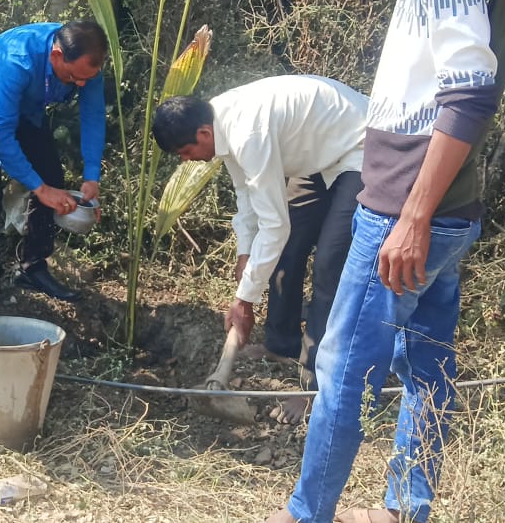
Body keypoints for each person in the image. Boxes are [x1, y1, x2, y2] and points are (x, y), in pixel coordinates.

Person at [266, 0, 505, 522]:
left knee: (344, 369)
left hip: (407, 208)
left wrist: (411, 216)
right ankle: (406, 506)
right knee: (427, 366)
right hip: (450, 208)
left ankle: (305, 513)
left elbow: (467, 93)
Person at [151, 76, 369, 425]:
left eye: (185, 153)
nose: (188, 161)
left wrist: (244, 301)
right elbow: (247, 195)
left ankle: (313, 386)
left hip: (359, 147)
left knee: (329, 264)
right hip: (317, 155)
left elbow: (274, 225)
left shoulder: (246, 133)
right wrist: (245, 253)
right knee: (286, 249)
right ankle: (281, 344)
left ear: (203, 134)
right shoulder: (220, 124)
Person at [0, 20, 108, 309]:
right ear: (56, 55)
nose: (80, 84)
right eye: (74, 77)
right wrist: (39, 189)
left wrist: (92, 176)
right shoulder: (19, 60)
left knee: (52, 175)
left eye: (86, 79)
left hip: (27, 108)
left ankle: (33, 267)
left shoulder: (87, 66)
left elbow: (93, 115)